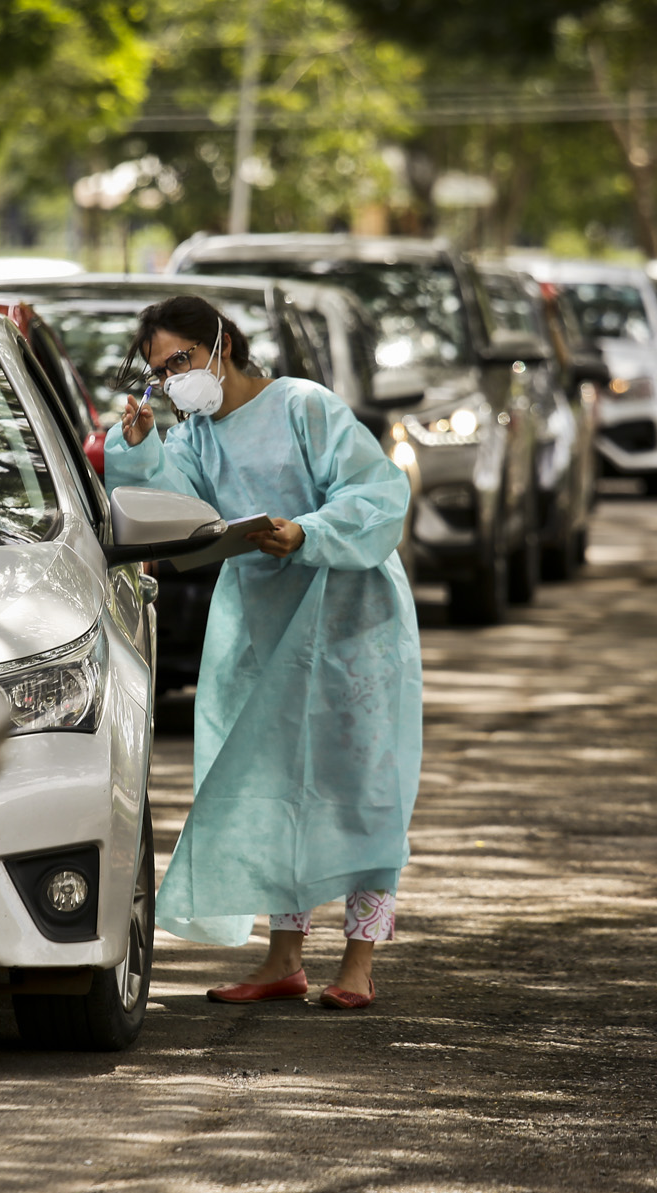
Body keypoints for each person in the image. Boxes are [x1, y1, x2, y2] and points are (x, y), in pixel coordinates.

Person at [105, 295, 422, 1010]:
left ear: (221, 343)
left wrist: (307, 532)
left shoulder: (303, 406)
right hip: (265, 625)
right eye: (159, 373)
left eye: (179, 361)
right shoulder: (194, 437)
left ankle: (359, 963)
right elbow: (175, 510)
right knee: (278, 782)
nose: (174, 380)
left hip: (350, 620)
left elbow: (377, 492)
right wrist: (140, 447)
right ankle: (283, 959)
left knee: (363, 781)